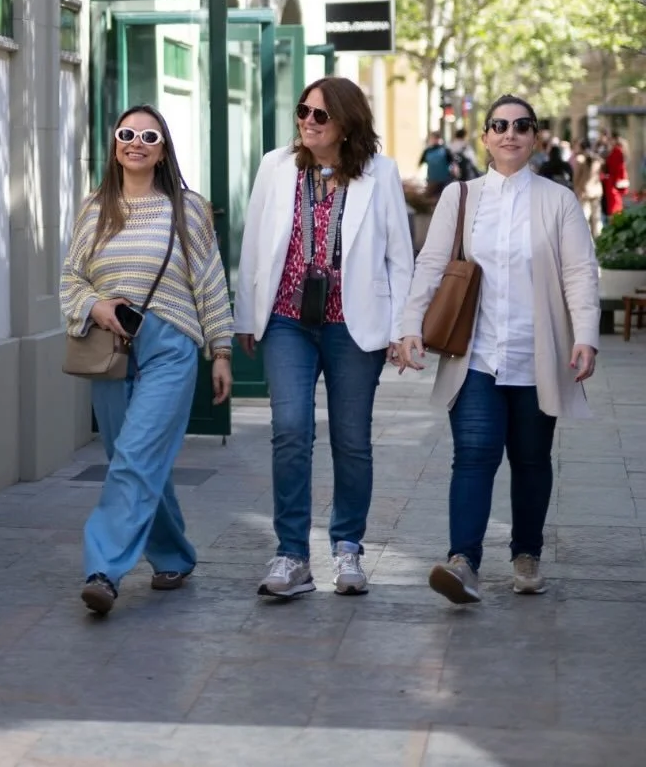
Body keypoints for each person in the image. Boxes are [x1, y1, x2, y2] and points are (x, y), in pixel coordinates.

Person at [397, 94, 599, 605]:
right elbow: (431, 264)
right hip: (477, 356)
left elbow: (579, 272)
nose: (510, 133)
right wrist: (409, 326)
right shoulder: (461, 197)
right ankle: (463, 562)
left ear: (534, 138)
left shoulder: (557, 201)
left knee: (531, 459)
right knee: (474, 455)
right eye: (499, 125)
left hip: (538, 356)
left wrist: (585, 335)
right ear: (485, 137)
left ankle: (526, 556)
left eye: (521, 126)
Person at [234, 77, 414, 599]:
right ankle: (291, 554)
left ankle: (347, 548)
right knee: (290, 430)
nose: (307, 123)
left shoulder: (380, 174)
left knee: (352, 439)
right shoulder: (275, 166)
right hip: (288, 319)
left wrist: (404, 329)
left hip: (353, 324)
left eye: (319, 116)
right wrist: (247, 315)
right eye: (302, 111)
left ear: (346, 123)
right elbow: (253, 242)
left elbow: (399, 257)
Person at [60, 103, 233, 616]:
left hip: (170, 347)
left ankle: (103, 570)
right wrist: (96, 304)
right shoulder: (94, 208)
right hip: (110, 347)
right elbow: (71, 278)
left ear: (162, 150)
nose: (136, 142)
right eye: (127, 133)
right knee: (129, 459)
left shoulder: (189, 208)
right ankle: (174, 554)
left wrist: (219, 350)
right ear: (115, 143)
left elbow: (210, 281)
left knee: (135, 456)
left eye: (149, 136)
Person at [571, 140, 603, 238]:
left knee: (585, 217)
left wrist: (575, 188)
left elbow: (576, 177)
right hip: (596, 191)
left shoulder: (580, 159)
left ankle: (587, 240)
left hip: (584, 192)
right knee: (596, 218)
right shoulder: (597, 159)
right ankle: (599, 239)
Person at [420, 131, 455, 201]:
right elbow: (421, 163)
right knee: (431, 200)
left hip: (444, 181)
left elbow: (453, 164)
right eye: (432, 138)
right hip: (432, 180)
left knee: (442, 200)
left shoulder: (445, 150)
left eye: (434, 138)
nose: (433, 140)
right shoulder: (427, 151)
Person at [601, 134, 629, 217]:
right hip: (613, 182)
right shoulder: (616, 151)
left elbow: (617, 168)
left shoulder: (617, 151)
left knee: (615, 206)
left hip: (614, 183)